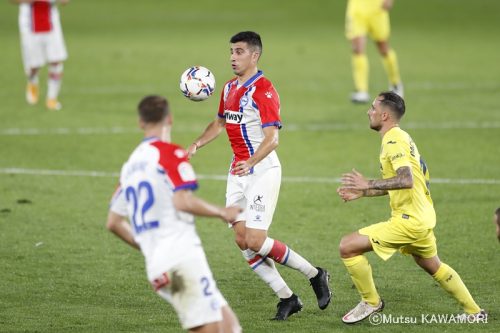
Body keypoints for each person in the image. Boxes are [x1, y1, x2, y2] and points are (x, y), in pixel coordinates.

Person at [187, 31, 332, 321]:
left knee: (255, 238)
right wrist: (196, 144)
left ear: (254, 55)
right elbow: (218, 123)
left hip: (262, 170)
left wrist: (251, 162)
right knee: (242, 240)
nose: (232, 57)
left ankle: (315, 274)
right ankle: (288, 298)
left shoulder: (264, 90)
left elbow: (272, 138)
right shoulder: (228, 89)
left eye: (239, 52)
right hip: (237, 170)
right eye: (231, 51)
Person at [336, 91, 486, 323]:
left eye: (373, 108)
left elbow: (406, 179)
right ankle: (475, 313)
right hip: (422, 216)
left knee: (347, 247)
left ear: (385, 115)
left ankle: (371, 302)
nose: (369, 111)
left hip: (409, 220)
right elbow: (401, 184)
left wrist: (369, 183)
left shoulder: (393, 139)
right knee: (432, 264)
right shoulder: (403, 137)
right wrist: (364, 192)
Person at [107, 95, 242, 333]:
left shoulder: (130, 166)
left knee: (230, 326)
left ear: (140, 122)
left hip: (160, 264)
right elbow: (183, 201)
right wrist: (222, 212)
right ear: (169, 119)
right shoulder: (170, 154)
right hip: (182, 259)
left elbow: (114, 222)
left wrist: (149, 247)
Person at [14, 0, 69, 110]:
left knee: (56, 60)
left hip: (51, 22)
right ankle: (32, 81)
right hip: (29, 24)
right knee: (34, 65)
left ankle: (52, 98)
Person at [345, 0, 403, 103]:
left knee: (383, 48)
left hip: (377, 7)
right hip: (357, 8)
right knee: (358, 49)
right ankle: (362, 90)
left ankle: (395, 83)